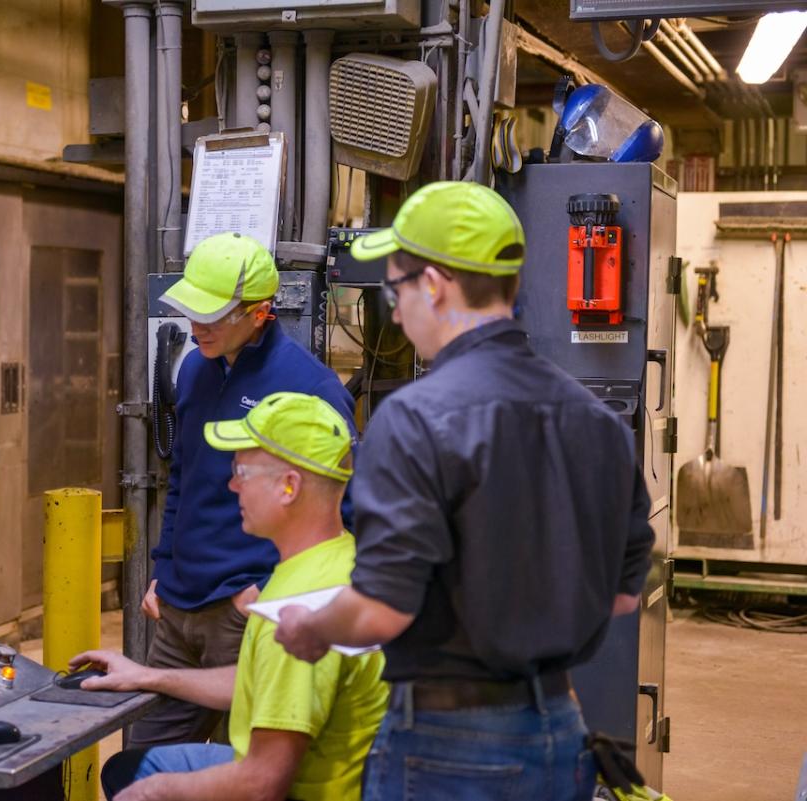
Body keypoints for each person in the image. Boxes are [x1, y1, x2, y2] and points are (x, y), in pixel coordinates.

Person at [273, 182, 656, 801]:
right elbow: (621, 597)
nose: (397, 314)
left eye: (396, 291)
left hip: (448, 749)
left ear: (433, 285)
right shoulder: (598, 421)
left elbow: (380, 609)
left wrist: (311, 628)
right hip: (563, 732)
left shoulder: (414, 418)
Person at [71, 392, 387, 801]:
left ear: (289, 487)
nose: (232, 484)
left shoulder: (297, 610)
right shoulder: (338, 558)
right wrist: (149, 676)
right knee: (127, 768)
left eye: (242, 471)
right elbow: (265, 684)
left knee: (140, 783)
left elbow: (262, 783)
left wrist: (157, 792)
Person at [133, 232, 355, 748]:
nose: (197, 328)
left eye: (212, 316)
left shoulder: (310, 389)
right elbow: (183, 477)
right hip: (177, 607)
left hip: (245, 610)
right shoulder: (194, 369)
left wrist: (266, 592)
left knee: (249, 765)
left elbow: (344, 508)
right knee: (141, 764)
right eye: (192, 312)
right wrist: (163, 568)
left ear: (259, 313)